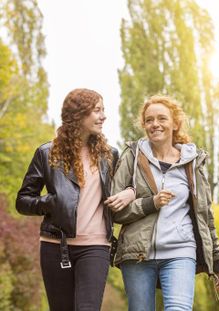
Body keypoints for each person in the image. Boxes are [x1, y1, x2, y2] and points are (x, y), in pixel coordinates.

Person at [16, 88, 135, 311]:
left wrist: (130, 192)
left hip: (96, 246)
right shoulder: (47, 153)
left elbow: (130, 185)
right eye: (97, 110)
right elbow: (23, 201)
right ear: (79, 114)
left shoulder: (110, 154)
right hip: (55, 245)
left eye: (104, 110)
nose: (103, 116)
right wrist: (50, 201)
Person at [109, 95, 219, 311]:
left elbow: (205, 217)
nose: (155, 124)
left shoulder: (192, 162)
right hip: (137, 254)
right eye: (149, 120)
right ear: (144, 125)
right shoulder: (132, 156)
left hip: (181, 250)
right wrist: (150, 203)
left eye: (162, 118)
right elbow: (115, 212)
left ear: (175, 123)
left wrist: (217, 263)